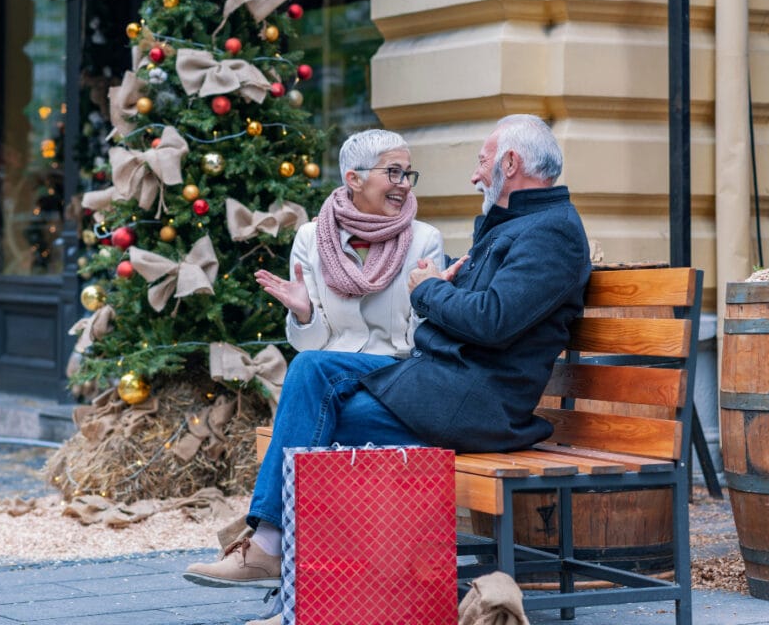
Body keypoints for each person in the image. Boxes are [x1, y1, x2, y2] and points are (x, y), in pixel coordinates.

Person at [184, 115, 592, 625]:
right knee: (311, 372)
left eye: (483, 162)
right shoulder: (519, 226)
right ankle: (285, 570)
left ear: (511, 164)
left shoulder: (550, 233)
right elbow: (482, 312)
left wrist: (428, 290)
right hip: (446, 387)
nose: (475, 176)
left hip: (476, 405)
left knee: (316, 424)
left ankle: (290, 582)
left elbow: (491, 321)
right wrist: (438, 293)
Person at [254, 128, 445, 357]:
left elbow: (425, 342)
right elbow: (308, 345)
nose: (405, 184)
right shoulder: (310, 238)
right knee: (308, 362)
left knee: (307, 365)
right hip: (332, 368)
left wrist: (427, 302)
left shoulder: (425, 239)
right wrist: (304, 315)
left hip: (394, 372)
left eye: (407, 173)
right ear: (354, 179)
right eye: (393, 172)